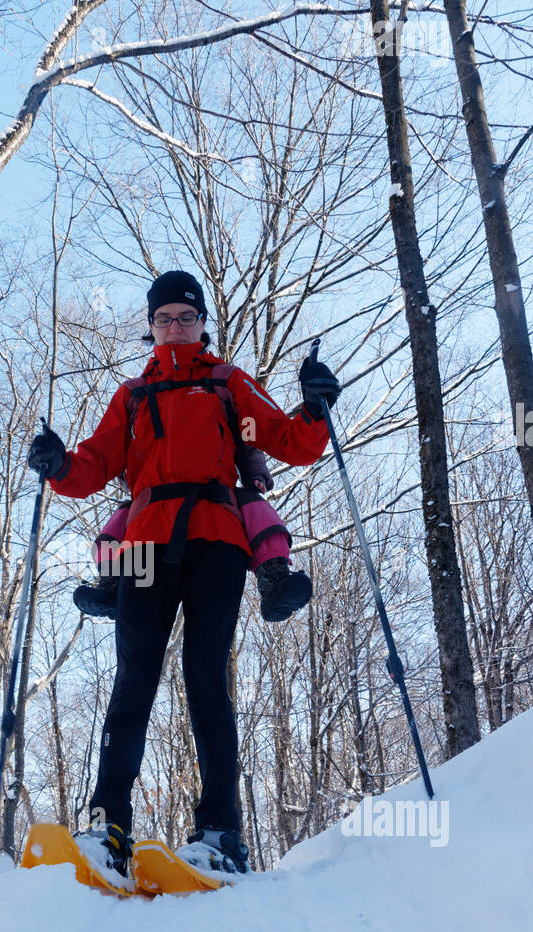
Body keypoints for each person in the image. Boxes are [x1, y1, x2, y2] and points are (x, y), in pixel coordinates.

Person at [28, 270, 339, 878]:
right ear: (150, 325)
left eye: (186, 317)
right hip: (143, 541)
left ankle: (220, 831)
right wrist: (60, 462)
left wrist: (315, 406)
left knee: (205, 675)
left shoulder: (226, 384)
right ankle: (108, 825)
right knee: (134, 674)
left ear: (201, 323)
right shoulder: (133, 396)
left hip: (218, 536)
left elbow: (284, 439)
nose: (175, 326)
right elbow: (95, 463)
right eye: (164, 317)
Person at [73, 442, 310, 623]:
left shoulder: (224, 397)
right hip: (154, 497)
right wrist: (129, 475)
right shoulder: (142, 406)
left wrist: (255, 474)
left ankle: (274, 579)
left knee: (257, 511)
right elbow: (118, 455)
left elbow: (247, 444)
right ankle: (112, 582)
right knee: (122, 522)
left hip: (214, 490)